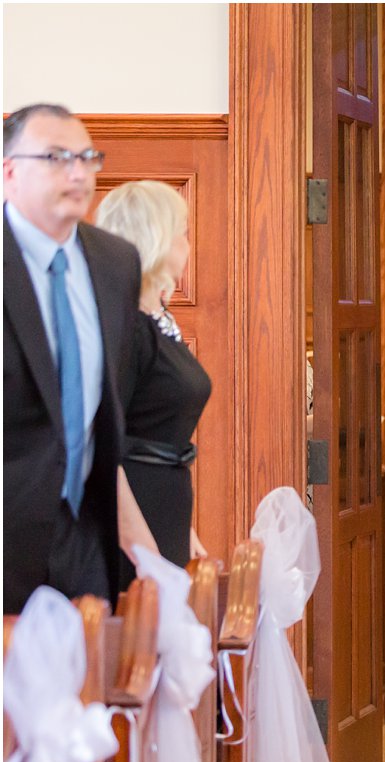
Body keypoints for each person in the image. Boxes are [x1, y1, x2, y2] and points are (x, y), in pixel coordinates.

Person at [3, 104, 140, 613]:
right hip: (6, 538)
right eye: (57, 158)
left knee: (91, 688)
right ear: (9, 170)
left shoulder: (114, 262)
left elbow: (108, 409)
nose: (78, 172)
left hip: (86, 537)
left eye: (87, 157)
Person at [95, 180, 213, 583]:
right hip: (131, 521)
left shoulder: (158, 316)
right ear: (158, 241)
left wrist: (185, 530)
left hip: (164, 505)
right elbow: (102, 447)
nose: (188, 246)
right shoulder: (124, 324)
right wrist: (144, 553)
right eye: (183, 235)